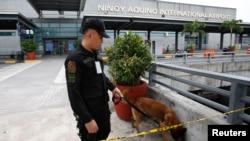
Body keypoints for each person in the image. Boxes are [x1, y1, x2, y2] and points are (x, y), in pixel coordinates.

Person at [64, 18, 122, 141]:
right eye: (100, 37)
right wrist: (87, 119)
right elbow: (73, 94)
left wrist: (113, 88)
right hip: (90, 114)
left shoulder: (94, 55)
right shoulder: (74, 60)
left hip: (102, 109)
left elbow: (101, 76)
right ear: (90, 35)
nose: (102, 41)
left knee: (104, 133)